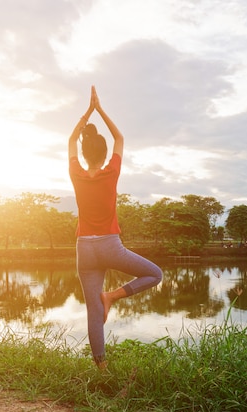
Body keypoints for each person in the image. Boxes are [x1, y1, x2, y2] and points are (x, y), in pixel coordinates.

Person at [68, 86, 163, 369]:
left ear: (84, 154)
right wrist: (100, 109)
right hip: (110, 246)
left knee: (92, 312)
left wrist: (87, 113)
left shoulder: (76, 173)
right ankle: (113, 296)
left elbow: (72, 139)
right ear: (106, 153)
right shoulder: (112, 171)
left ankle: (102, 370)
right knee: (155, 274)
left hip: (84, 249)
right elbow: (119, 137)